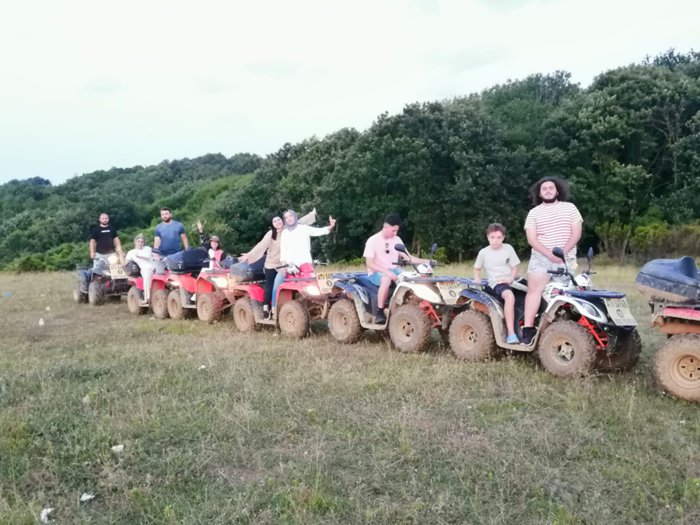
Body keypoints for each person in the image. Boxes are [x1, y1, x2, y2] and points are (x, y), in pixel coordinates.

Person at [521, 176, 583, 345]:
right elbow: (532, 239)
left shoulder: (570, 208)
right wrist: (549, 254)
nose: (548, 191)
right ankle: (528, 330)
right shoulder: (534, 213)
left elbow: (576, 233)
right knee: (534, 291)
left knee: (565, 294)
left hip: (566, 258)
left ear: (557, 191)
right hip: (541, 258)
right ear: (540, 193)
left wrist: (563, 252)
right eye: (544, 189)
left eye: (551, 188)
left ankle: (562, 329)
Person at [239, 210, 317, 320]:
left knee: (295, 282)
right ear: (273, 224)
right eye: (274, 221)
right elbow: (261, 246)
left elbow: (300, 221)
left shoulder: (288, 229)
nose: (277, 222)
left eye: (279, 220)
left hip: (285, 265)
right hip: (271, 264)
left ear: (282, 220)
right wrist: (249, 255)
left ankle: (292, 307)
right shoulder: (271, 234)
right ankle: (267, 308)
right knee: (270, 286)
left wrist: (314, 214)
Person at [363, 213, 431, 324]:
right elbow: (369, 264)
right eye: (393, 230)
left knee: (413, 277)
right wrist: (387, 272)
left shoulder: (397, 239)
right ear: (386, 227)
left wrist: (426, 261)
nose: (395, 233)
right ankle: (380, 312)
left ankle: (416, 306)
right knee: (386, 279)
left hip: (394, 270)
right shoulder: (373, 240)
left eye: (397, 231)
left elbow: (408, 258)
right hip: (376, 272)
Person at [474, 223, 521, 344]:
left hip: (511, 281)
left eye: (499, 237)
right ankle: (511, 334)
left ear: (503, 237)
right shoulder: (484, 252)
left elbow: (515, 267)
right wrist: (477, 278)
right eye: (493, 237)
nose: (496, 241)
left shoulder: (508, 248)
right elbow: (477, 268)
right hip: (497, 283)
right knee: (509, 296)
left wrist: (511, 278)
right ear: (488, 237)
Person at [80, 213, 123, 293]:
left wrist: (119, 250)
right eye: (103, 218)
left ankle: (114, 287)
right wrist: (92, 252)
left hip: (111, 254)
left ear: (108, 219)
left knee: (115, 272)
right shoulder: (96, 229)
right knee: (96, 272)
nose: (105, 220)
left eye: (106, 218)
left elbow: (116, 240)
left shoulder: (112, 229)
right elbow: (92, 241)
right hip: (100, 254)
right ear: (100, 219)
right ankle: (88, 287)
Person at [125, 234, 154, 305]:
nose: (140, 243)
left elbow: (147, 256)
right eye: (138, 241)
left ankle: (149, 298)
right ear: (135, 242)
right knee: (146, 279)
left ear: (144, 243)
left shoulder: (147, 248)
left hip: (152, 267)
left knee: (148, 275)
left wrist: (138, 256)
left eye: (142, 242)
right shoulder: (131, 252)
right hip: (143, 268)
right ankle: (147, 298)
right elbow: (126, 262)